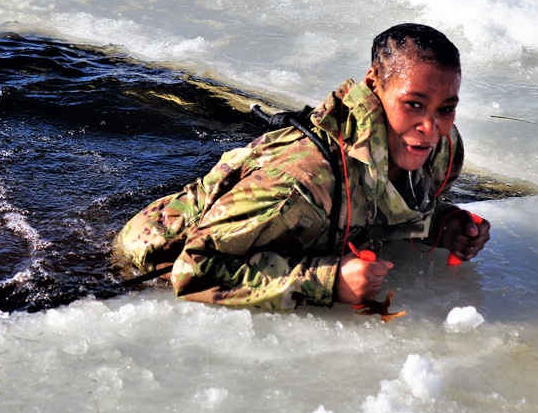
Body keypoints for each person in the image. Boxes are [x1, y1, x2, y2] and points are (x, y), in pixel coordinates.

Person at [113, 23, 491, 310]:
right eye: (414, 104)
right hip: (147, 257)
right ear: (374, 85)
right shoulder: (300, 180)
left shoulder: (440, 149)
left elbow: (372, 202)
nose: (430, 128)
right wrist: (329, 282)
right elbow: (194, 268)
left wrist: (440, 224)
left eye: (446, 109)